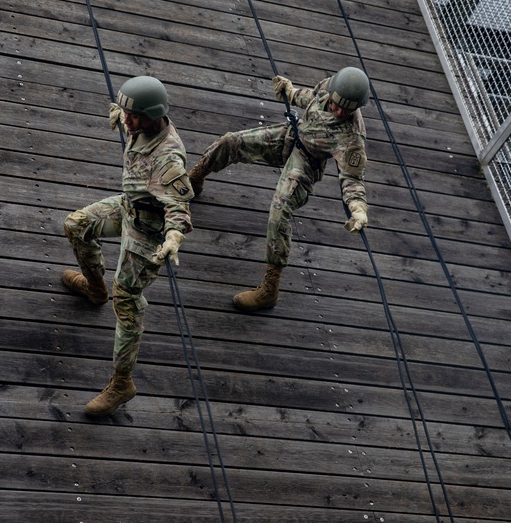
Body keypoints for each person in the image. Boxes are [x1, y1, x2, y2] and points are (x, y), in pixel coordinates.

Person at [61, 76, 194, 416]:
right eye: (126, 113)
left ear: (152, 115)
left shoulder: (168, 159)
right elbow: (129, 116)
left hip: (148, 231)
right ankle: (94, 288)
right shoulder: (141, 121)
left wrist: (175, 236)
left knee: (127, 299)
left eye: (132, 115)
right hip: (128, 207)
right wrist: (120, 112)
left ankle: (122, 383)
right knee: (76, 225)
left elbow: (179, 207)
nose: (127, 119)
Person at [187, 67, 370, 312]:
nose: (338, 111)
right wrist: (290, 91)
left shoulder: (352, 138)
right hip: (292, 135)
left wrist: (358, 209)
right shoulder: (329, 87)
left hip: (307, 162)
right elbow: (310, 97)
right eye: (336, 105)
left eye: (345, 110)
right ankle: (195, 178)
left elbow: (352, 179)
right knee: (230, 141)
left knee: (280, 209)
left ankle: (269, 288)